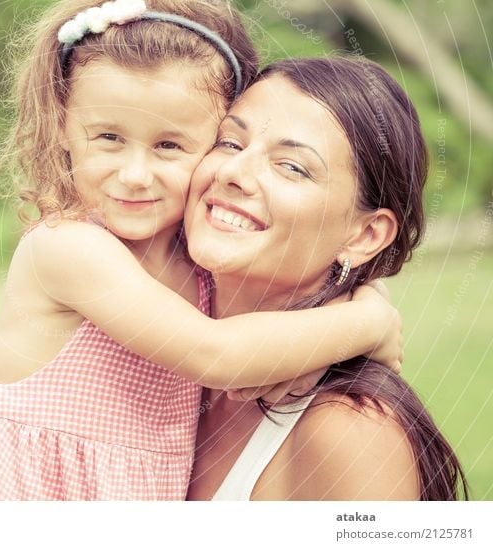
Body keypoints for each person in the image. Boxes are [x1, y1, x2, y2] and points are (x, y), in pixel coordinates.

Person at [0, 0, 402, 501]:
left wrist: (366, 291)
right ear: (64, 127)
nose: (135, 174)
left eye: (170, 146)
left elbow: (281, 302)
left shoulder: (199, 257)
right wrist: (367, 321)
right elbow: (217, 355)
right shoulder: (67, 249)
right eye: (109, 137)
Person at [185, 57, 468, 501]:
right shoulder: (145, 336)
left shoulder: (349, 430)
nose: (233, 173)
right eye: (229, 143)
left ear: (365, 234)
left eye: (292, 167)